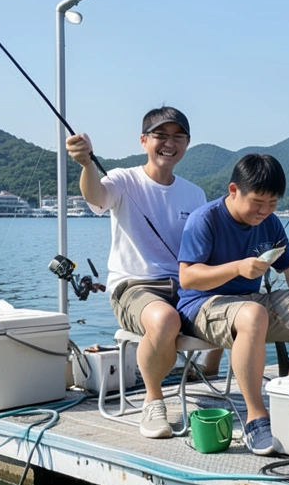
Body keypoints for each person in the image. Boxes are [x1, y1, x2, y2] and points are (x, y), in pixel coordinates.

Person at [66, 106, 221, 439]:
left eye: (178, 136)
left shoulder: (195, 194)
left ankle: (207, 369)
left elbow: (205, 249)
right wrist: (86, 163)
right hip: (133, 287)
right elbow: (96, 196)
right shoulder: (123, 179)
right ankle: (154, 402)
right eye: (160, 136)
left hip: (183, 286)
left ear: (187, 143)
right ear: (143, 140)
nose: (169, 143)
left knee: (231, 299)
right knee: (165, 320)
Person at [176, 153, 289, 456]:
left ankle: (287, 397)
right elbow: (187, 277)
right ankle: (256, 418)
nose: (264, 211)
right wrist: (238, 268)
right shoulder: (205, 219)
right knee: (253, 314)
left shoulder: (271, 224)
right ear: (234, 190)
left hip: (252, 304)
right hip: (202, 305)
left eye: (272, 204)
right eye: (257, 203)